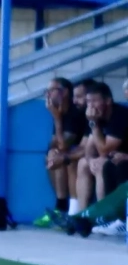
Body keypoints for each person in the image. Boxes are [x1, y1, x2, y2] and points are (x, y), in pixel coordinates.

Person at [72, 82, 128, 220]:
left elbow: (104, 150)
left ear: (108, 101)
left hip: (121, 159)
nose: (90, 105)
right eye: (88, 101)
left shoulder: (119, 115)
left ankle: (103, 217)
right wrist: (91, 160)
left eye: (95, 101)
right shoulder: (97, 116)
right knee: (83, 163)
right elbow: (89, 149)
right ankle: (81, 215)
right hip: (113, 157)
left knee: (102, 165)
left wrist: (94, 124)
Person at [40, 77, 89, 227]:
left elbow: (62, 145)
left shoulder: (75, 113)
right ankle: (60, 206)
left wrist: (56, 119)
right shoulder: (61, 111)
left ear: (65, 92)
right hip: (71, 153)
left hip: (83, 154)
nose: (48, 95)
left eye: (51, 90)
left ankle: (67, 210)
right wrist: (54, 150)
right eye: (46, 91)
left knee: (62, 158)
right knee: (50, 155)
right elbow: (54, 142)